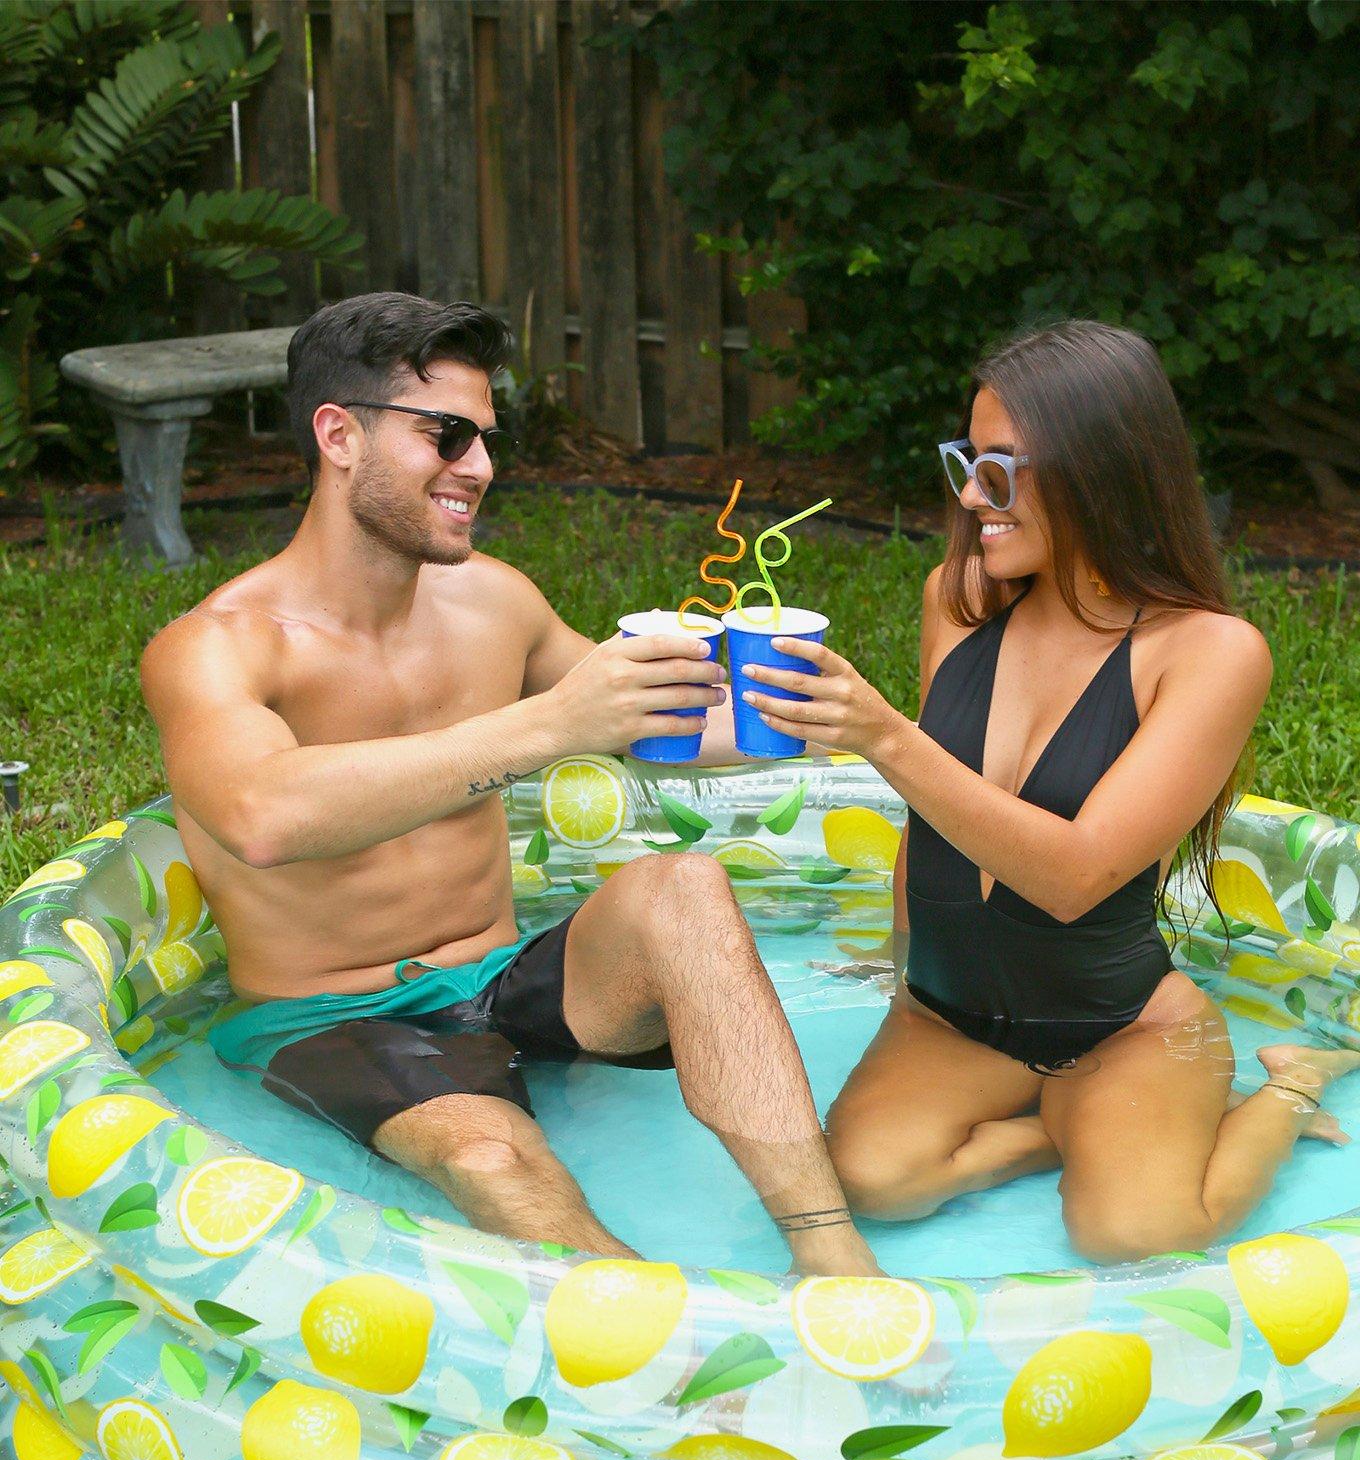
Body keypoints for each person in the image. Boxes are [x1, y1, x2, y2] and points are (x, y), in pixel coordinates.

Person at [141, 291, 877, 1275]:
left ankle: (835, 1265)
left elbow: (652, 724)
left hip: (503, 980)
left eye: (487, 439)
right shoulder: (213, 648)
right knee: (489, 1158)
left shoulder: (493, 600)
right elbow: (261, 815)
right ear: (338, 435)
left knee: (685, 889)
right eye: (446, 436)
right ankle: (679, 1354)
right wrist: (548, 726)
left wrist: (808, 719)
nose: (479, 468)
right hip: (334, 1013)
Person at [737, 318, 1360, 1262]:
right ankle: (1071, 1130)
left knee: (1133, 1236)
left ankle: (1288, 1088)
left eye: (1004, 469)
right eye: (969, 461)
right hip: (956, 1015)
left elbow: (1073, 877)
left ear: (1102, 470)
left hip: (1120, 1026)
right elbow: (936, 817)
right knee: (872, 1184)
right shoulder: (960, 595)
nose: (974, 497)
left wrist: (881, 736)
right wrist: (902, 978)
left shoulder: (1206, 653)